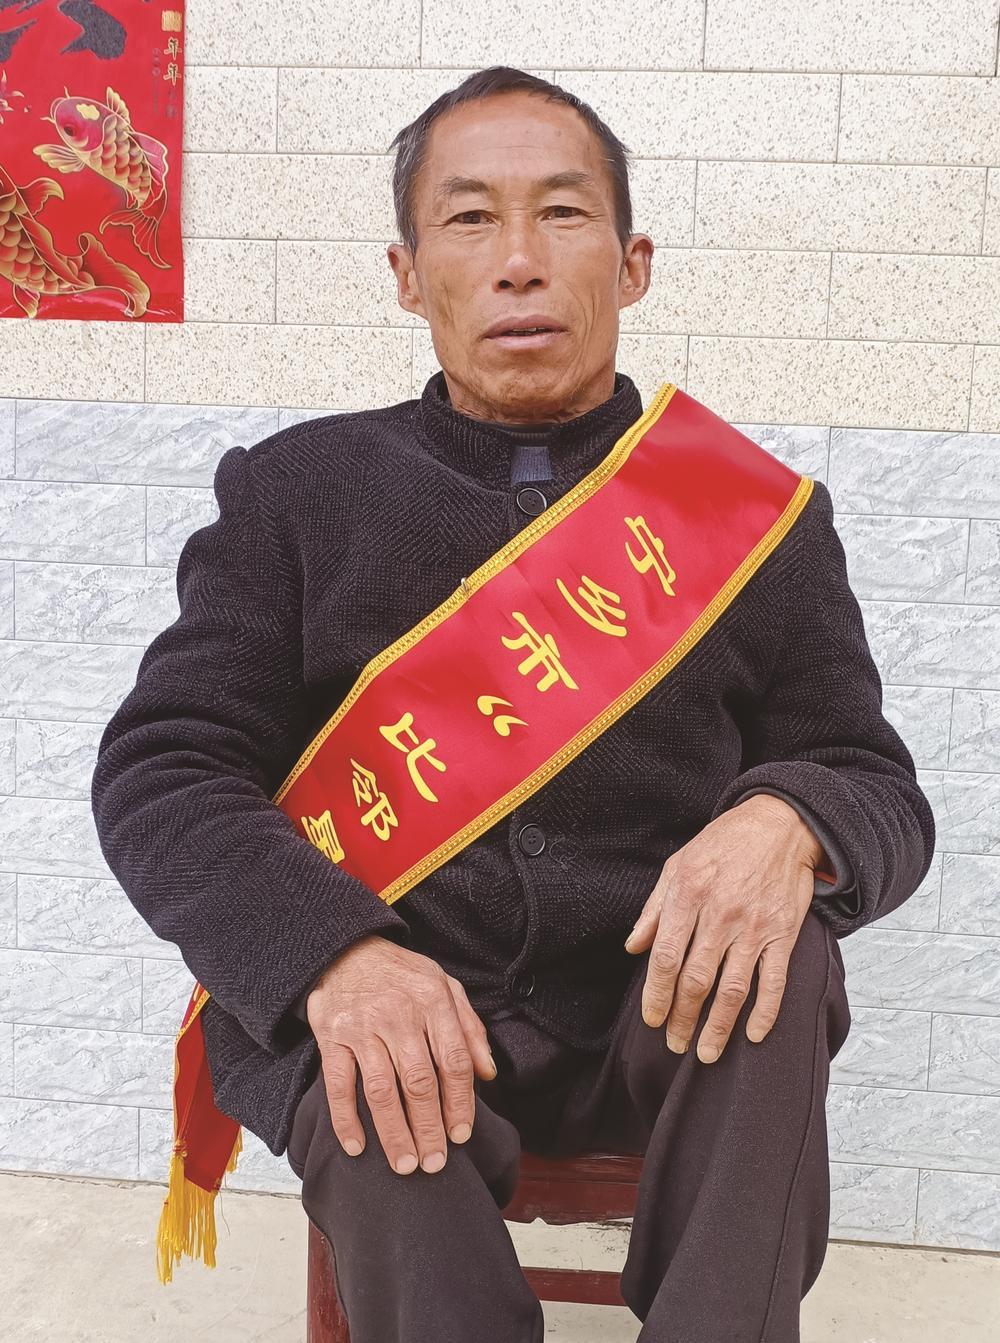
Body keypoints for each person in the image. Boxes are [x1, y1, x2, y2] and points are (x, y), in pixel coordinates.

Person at [90, 66, 936, 1342]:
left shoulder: (755, 520)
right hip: (392, 991)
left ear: (633, 263)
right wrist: (332, 955)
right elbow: (164, 771)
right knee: (370, 1069)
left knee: (784, 949)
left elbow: (873, 783)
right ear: (405, 272)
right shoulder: (294, 495)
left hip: (651, 1015)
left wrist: (791, 819)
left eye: (563, 212)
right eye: (471, 217)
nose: (519, 261)